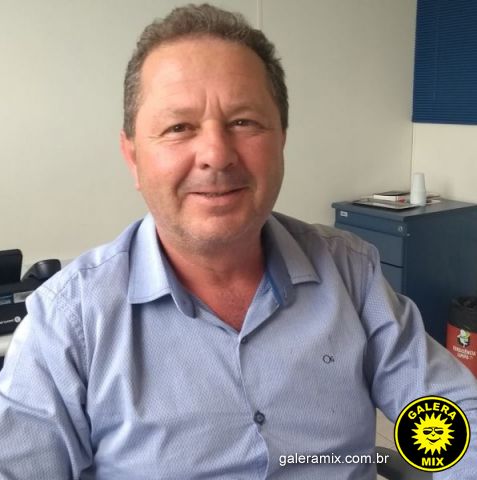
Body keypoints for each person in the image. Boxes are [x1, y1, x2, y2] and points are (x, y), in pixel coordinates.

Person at [0, 4, 476, 479]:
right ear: (133, 157)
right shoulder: (68, 320)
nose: (216, 154)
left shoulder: (350, 272)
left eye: (244, 122)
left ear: (281, 139)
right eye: (179, 127)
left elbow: (457, 418)